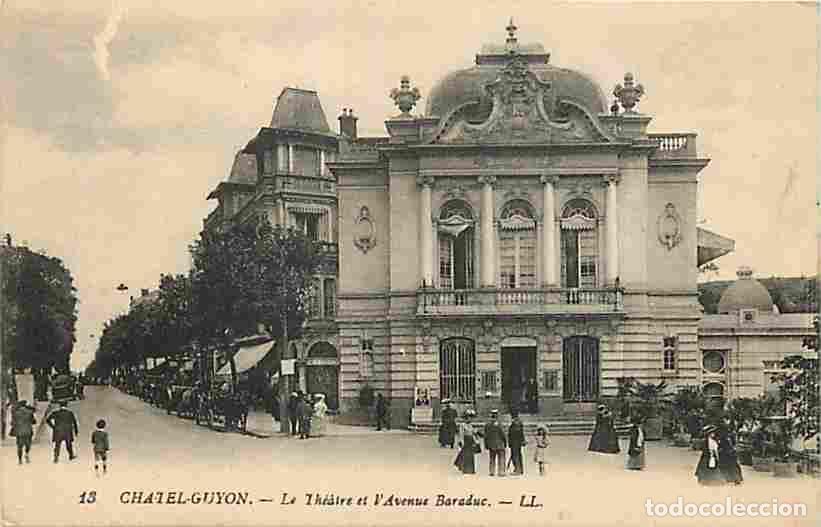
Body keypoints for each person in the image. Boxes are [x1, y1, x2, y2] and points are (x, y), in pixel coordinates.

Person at [454, 409, 479, 475]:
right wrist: (461, 442)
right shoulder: (462, 425)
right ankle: (465, 469)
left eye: (471, 418)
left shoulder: (470, 425)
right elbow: (461, 434)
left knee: (471, 456)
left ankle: (471, 469)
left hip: (471, 441)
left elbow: (473, 433)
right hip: (466, 441)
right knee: (465, 455)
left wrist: (476, 441)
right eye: (468, 418)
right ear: (465, 418)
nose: (469, 419)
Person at [483, 409, 507, 477]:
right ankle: (501, 471)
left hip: (491, 444)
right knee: (501, 458)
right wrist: (505, 442)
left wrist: (486, 444)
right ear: (497, 416)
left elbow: (486, 436)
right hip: (500, 444)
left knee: (492, 458)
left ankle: (492, 471)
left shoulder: (487, 425)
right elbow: (503, 434)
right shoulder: (499, 424)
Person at [12, 401, 36, 465]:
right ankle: (26, 453)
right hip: (28, 431)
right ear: (25, 405)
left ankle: (20, 460)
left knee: (19, 446)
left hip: (19, 432)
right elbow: (34, 421)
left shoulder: (16, 413)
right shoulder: (30, 412)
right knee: (28, 444)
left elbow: (12, 423)